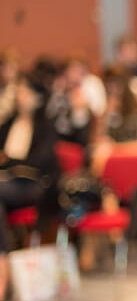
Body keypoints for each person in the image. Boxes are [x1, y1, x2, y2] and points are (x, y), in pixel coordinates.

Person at [0, 73, 60, 296]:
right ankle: (2, 268)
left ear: (37, 97)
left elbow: (40, 162)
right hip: (6, 183)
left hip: (34, 185)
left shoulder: (45, 126)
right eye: (18, 91)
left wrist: (9, 159)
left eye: (24, 91)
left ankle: (2, 273)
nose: (19, 96)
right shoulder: (8, 123)